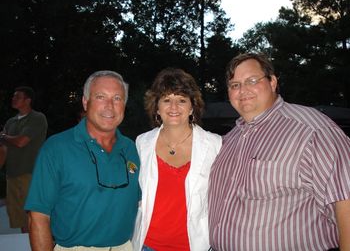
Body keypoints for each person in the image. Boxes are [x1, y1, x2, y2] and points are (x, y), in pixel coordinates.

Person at [208, 53, 350, 251]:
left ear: (273, 82)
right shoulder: (227, 140)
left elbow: (345, 201)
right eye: (235, 85)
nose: (243, 90)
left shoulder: (311, 130)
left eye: (252, 80)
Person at [25, 71, 140, 251]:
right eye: (100, 97)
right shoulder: (57, 148)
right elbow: (38, 216)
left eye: (117, 98)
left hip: (124, 246)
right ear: (86, 102)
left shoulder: (132, 149)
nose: (109, 106)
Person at [132, 68, 222, 251]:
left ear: (192, 107)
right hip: (148, 245)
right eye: (166, 100)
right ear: (157, 107)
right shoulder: (142, 143)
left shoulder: (214, 145)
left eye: (181, 100)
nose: (174, 107)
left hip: (195, 245)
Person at [0, 86, 47, 233]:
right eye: (13, 96)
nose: (13, 99)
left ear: (28, 100)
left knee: (33, 214)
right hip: (12, 174)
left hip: (30, 172)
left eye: (17, 96)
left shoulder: (37, 118)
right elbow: (4, 150)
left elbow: (22, 141)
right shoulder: (10, 122)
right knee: (19, 216)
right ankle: (25, 244)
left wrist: (3, 136)